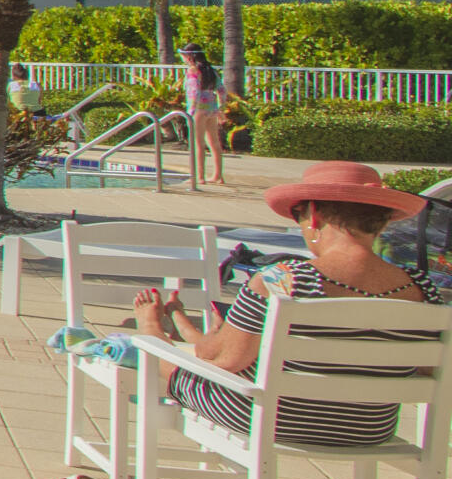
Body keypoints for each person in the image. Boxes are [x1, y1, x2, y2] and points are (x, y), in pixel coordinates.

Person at [130, 161, 449, 451]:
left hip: (271, 421)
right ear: (380, 221)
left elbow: (223, 360)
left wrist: (181, 335)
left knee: (171, 364)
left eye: (299, 217)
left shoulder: (283, 280)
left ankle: (152, 331)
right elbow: (428, 369)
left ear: (315, 215)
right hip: (368, 428)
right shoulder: (421, 289)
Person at [180, 42, 227, 184]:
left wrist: (191, 111)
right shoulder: (210, 70)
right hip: (211, 109)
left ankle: (199, 176)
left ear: (189, 57)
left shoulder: (193, 71)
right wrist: (221, 108)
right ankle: (218, 175)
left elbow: (194, 92)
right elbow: (222, 90)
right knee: (214, 142)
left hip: (198, 110)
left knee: (197, 143)